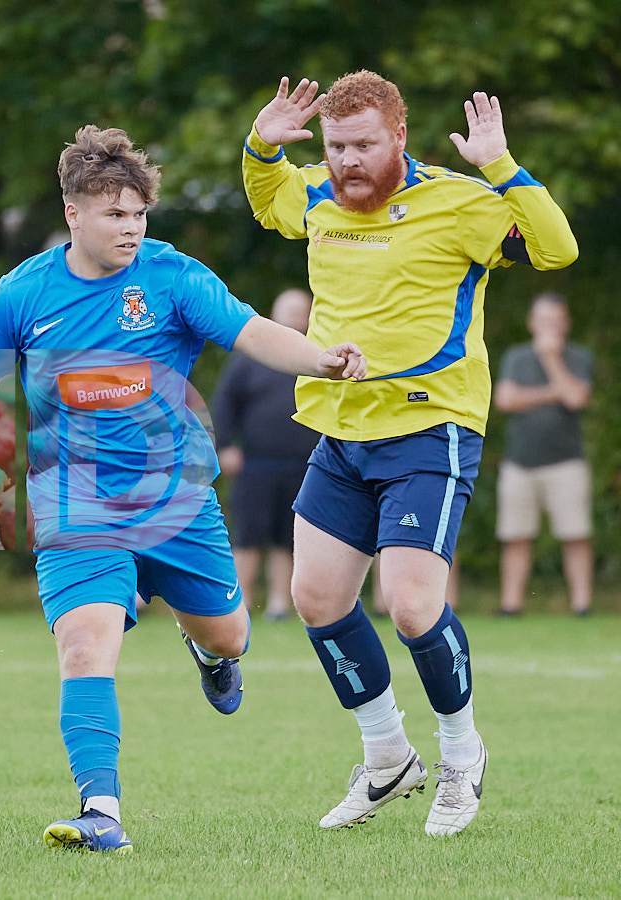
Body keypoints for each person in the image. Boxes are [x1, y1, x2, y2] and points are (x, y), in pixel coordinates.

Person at [0, 125, 366, 853]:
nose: (131, 228)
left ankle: (210, 653)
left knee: (230, 633)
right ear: (73, 214)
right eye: (114, 214)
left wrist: (320, 359)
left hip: (176, 498)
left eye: (138, 214)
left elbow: (252, 331)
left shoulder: (172, 277)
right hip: (75, 501)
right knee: (84, 644)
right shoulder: (22, 294)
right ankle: (101, 810)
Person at [242, 72, 577, 836]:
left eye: (363, 145)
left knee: (411, 602)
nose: (347, 161)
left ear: (398, 137)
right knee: (316, 598)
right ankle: (387, 755)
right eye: (336, 147)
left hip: (431, 425)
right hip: (342, 429)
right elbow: (268, 200)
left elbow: (557, 249)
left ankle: (461, 754)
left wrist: (502, 166)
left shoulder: (459, 202)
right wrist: (261, 144)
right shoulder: (318, 193)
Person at [211, 288, 319, 620]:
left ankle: (278, 604)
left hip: (306, 464)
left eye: (300, 311)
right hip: (255, 463)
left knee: (289, 538)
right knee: (248, 534)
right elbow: (224, 403)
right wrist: (226, 445)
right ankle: (239, 603)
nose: (294, 317)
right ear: (273, 313)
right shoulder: (251, 357)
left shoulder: (317, 355)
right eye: (288, 310)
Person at [494, 292, 593, 615]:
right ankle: (511, 607)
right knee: (515, 537)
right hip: (518, 464)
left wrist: (551, 359)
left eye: (556, 320)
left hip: (567, 463)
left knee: (575, 535)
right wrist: (555, 392)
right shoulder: (516, 357)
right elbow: (505, 400)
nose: (550, 326)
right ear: (531, 323)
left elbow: (576, 399)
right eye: (543, 320)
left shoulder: (578, 357)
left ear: (566, 323)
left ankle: (582, 606)